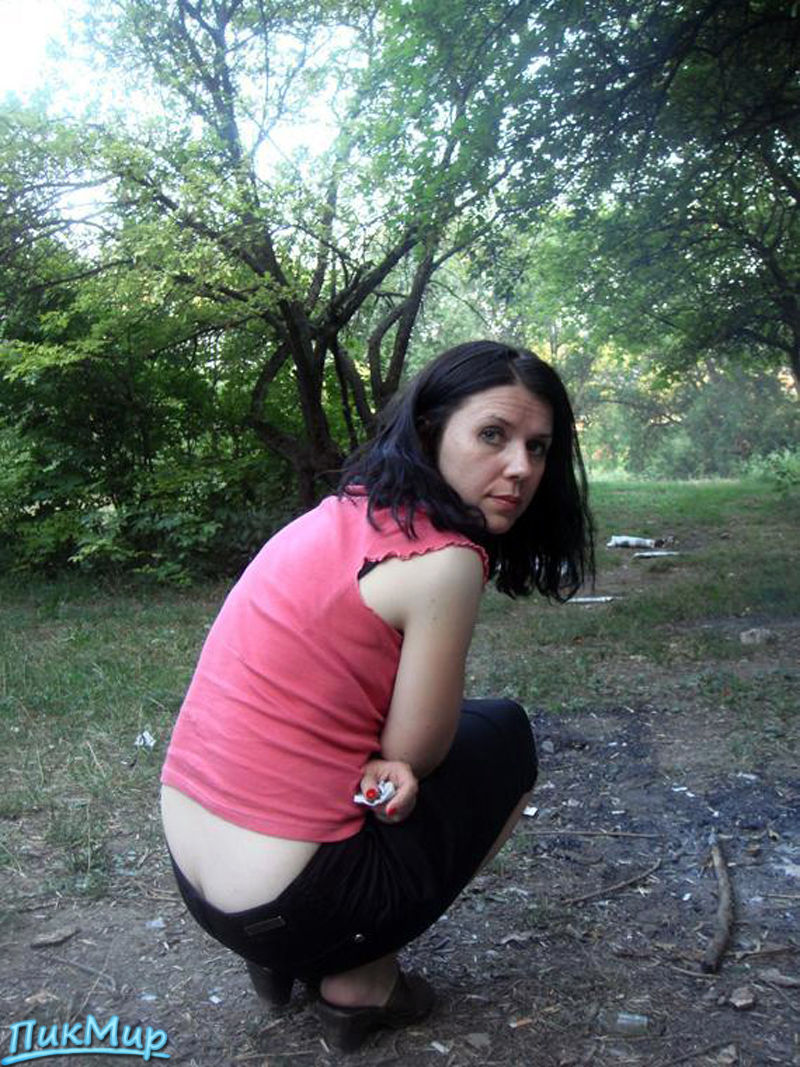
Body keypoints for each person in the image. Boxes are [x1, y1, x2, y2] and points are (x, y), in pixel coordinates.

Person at [160, 339, 594, 1051]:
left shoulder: (336, 514)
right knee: (505, 735)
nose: (520, 467)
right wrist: (404, 760)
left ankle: (282, 959)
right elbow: (414, 751)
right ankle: (361, 979)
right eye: (493, 435)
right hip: (288, 901)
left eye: (538, 447)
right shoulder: (446, 560)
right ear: (430, 431)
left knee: (445, 740)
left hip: (198, 882)